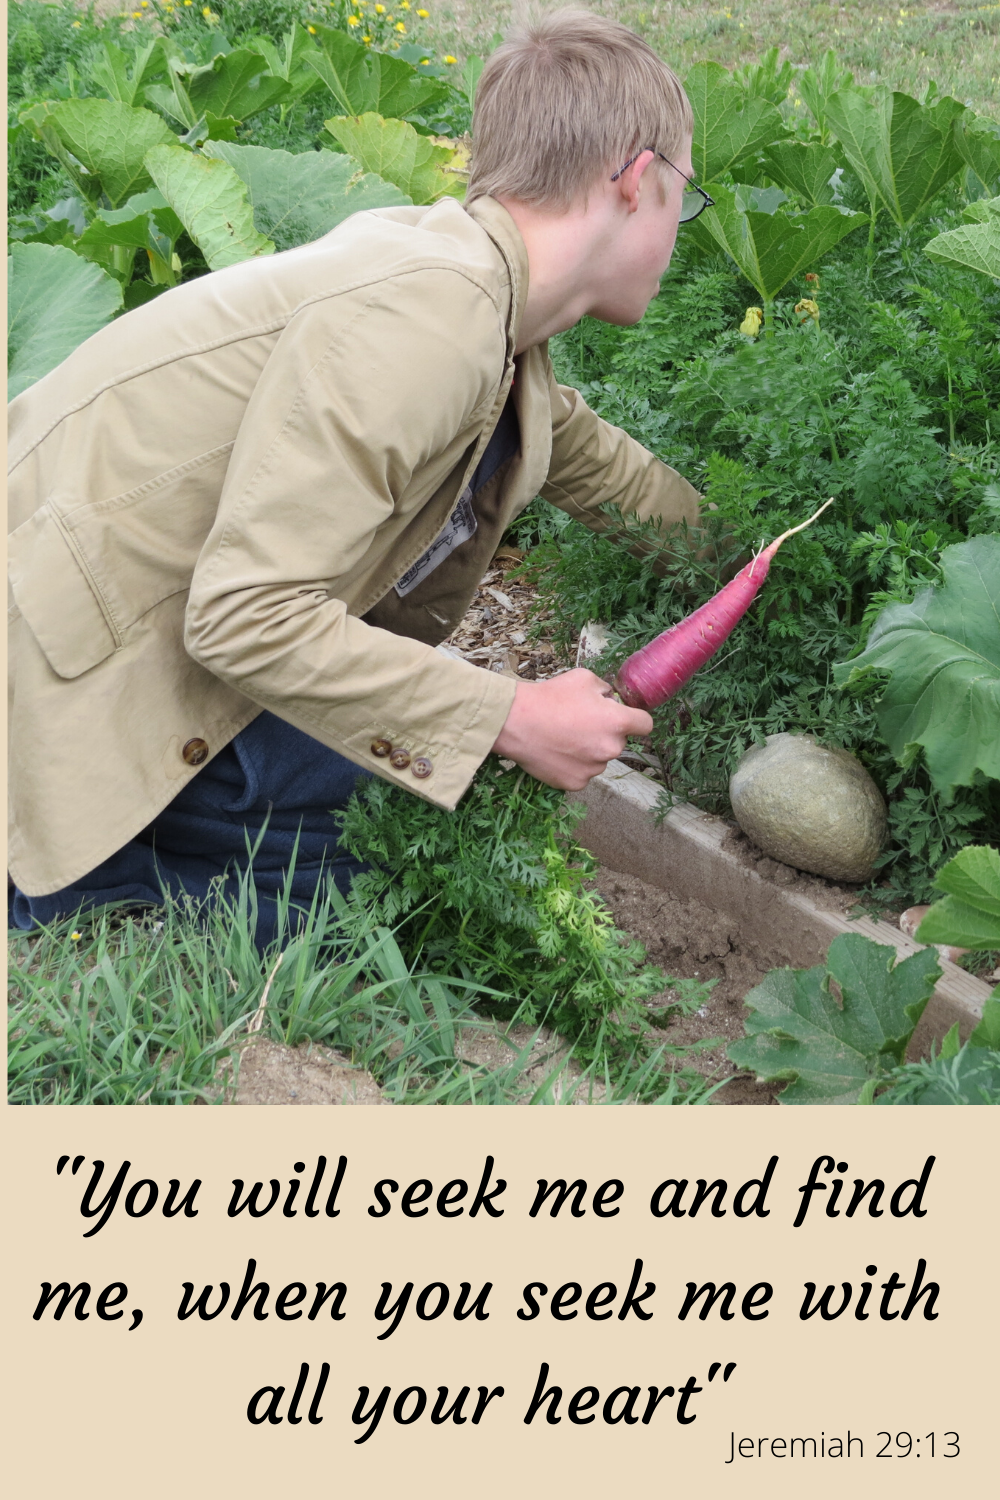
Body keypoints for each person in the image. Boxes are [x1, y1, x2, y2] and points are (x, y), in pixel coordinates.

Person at [7, 9, 715, 946]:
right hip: (66, 680)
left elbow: (583, 454)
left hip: (95, 627)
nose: (680, 228)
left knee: (417, 787)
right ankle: (85, 881)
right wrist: (509, 715)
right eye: (684, 197)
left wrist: (748, 554)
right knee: (404, 861)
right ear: (636, 180)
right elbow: (245, 616)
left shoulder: (476, 294)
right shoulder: (432, 318)